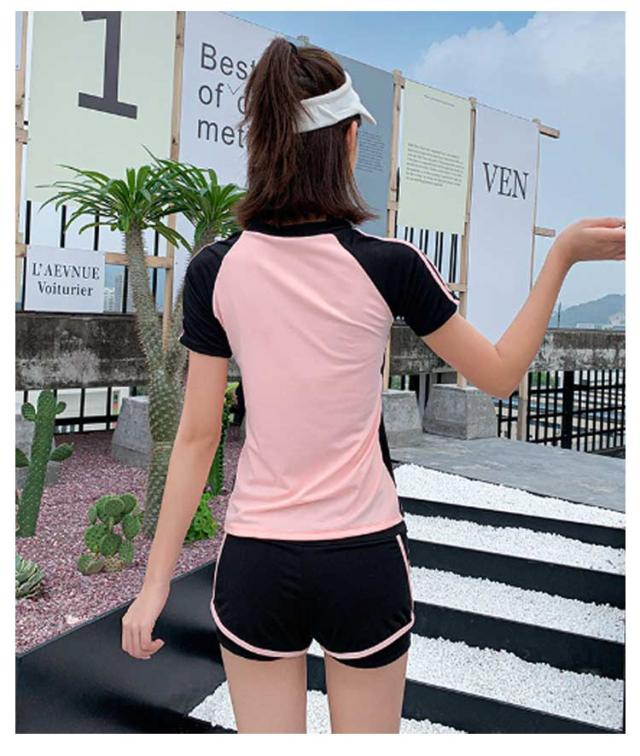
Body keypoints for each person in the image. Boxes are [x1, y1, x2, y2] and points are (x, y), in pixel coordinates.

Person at [121, 37, 625, 734]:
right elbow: (501, 374)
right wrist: (561, 256)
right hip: (363, 555)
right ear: (348, 139)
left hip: (257, 558)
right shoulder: (391, 264)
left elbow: (198, 436)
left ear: (264, 146)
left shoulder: (214, 269)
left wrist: (154, 585)